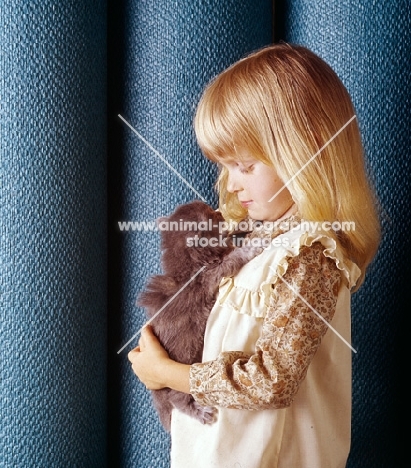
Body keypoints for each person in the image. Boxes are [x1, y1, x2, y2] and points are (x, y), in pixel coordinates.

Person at [128, 42, 381, 468]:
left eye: (245, 166)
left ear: (309, 151)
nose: (232, 184)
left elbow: (273, 380)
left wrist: (166, 374)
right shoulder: (261, 251)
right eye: (225, 167)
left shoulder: (310, 256)